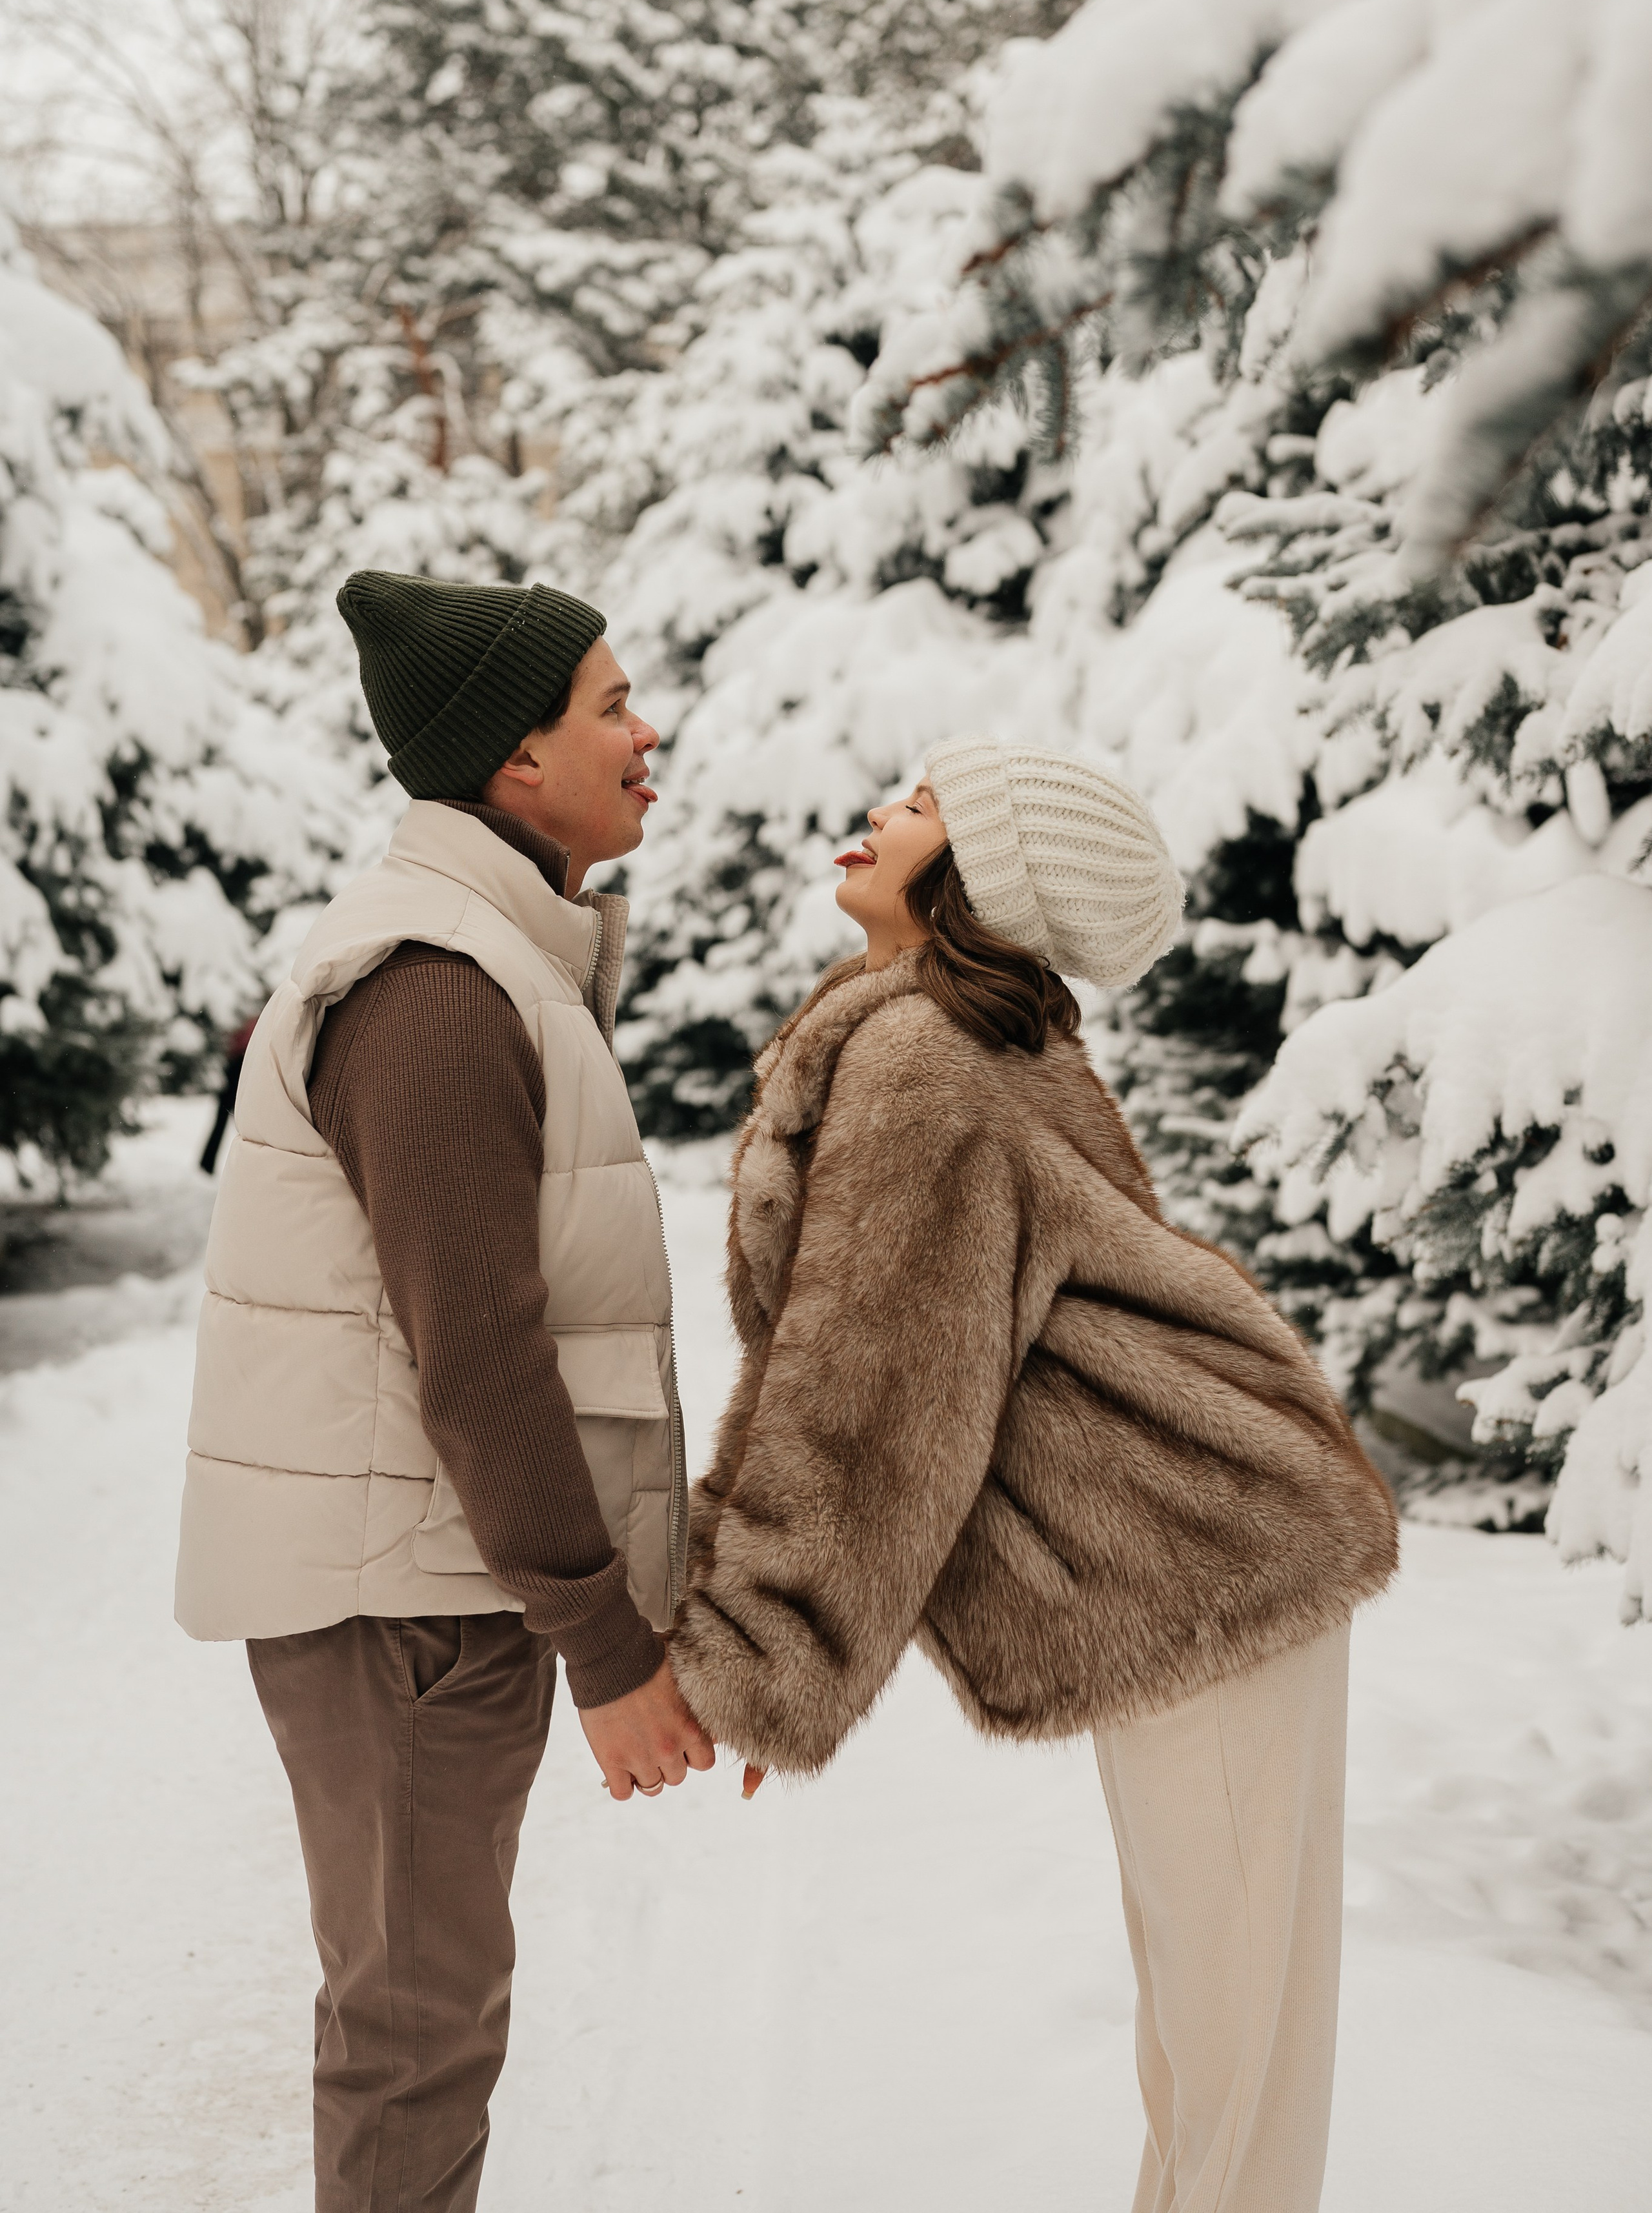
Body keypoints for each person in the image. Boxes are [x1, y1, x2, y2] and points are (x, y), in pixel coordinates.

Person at [669, 738, 1400, 2213]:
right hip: (1186, 1556)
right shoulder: (931, 1043)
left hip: (1205, 1562)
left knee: (1230, 2064)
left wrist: (764, 1647)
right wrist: (760, 1632)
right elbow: (837, 1354)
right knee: (1209, 2048)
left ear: (982, 877)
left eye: (924, 802)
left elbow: (864, 1390)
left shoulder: (929, 1060)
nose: (879, 806)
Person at [174, 571, 714, 2213]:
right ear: (510, 761)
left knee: (428, 2011)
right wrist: (607, 1640)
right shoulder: (435, 984)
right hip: (403, 1601)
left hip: (431, 1584)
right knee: (413, 2027)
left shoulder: (494, 956)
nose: (646, 732)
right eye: (609, 705)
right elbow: (475, 1353)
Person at [198, 1007, 261, 1175]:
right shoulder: (251, 1020)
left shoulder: (244, 1019)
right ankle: (209, 1164)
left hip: (235, 1075)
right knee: (244, 1129)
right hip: (238, 1076)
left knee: (234, 1127)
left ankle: (209, 1163)